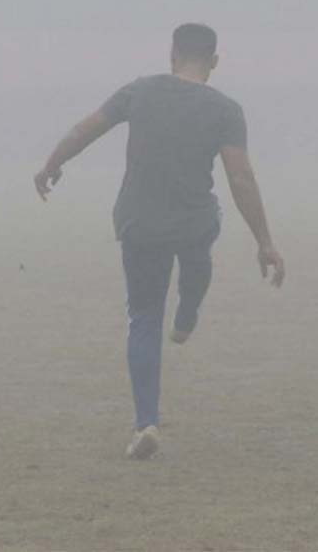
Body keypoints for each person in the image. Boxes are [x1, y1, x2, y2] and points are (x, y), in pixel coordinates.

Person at [34, 23, 286, 460]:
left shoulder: (140, 91)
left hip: (138, 222)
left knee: (145, 317)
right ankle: (188, 311)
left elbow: (84, 130)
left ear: (172, 55)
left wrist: (51, 164)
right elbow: (239, 176)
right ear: (214, 61)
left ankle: (146, 422)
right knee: (200, 247)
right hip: (192, 221)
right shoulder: (224, 109)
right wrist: (264, 240)